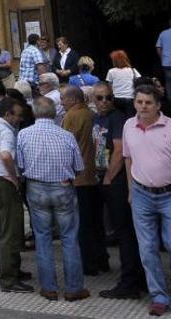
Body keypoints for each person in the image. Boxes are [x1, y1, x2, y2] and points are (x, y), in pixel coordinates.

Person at [17, 97, 88, 302]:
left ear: (34, 112)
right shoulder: (66, 136)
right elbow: (79, 166)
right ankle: (74, 288)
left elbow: (20, 165)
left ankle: (49, 287)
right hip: (63, 186)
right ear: (54, 113)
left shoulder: (23, 134)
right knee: (69, 237)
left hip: (36, 187)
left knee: (42, 237)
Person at [92, 82, 147, 299]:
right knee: (122, 230)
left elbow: (119, 150)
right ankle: (136, 277)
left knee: (124, 232)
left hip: (115, 181)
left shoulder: (117, 118)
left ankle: (131, 281)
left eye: (108, 97)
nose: (104, 101)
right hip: (102, 176)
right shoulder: (97, 118)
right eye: (99, 98)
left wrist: (108, 177)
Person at [123, 85, 171, 316]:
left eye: (148, 103)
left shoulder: (170, 127)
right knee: (147, 248)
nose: (143, 106)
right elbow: (128, 158)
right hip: (141, 194)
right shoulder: (128, 126)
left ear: (158, 105)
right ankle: (159, 296)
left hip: (169, 195)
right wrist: (131, 190)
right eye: (139, 102)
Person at [0, 97, 32, 293]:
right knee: (10, 233)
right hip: (4, 183)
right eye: (17, 115)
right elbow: (5, 155)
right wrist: (13, 177)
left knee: (5, 229)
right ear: (7, 114)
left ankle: (13, 270)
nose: (20, 119)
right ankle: (9, 279)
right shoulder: (6, 131)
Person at [60, 86, 108, 277]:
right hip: (95, 175)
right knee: (97, 222)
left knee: (83, 224)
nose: (61, 102)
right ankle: (102, 259)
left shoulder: (71, 116)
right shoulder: (91, 114)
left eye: (63, 98)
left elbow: (66, 147)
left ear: (72, 99)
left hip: (79, 177)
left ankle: (89, 264)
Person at [107, 49, 141, 117]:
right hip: (130, 98)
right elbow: (139, 82)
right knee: (131, 119)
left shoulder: (111, 71)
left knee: (118, 119)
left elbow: (109, 87)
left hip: (117, 99)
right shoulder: (133, 70)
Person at [158, 18, 171, 101]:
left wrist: (162, 59)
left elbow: (158, 48)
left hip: (167, 63)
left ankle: (170, 100)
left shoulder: (163, 33)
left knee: (169, 82)